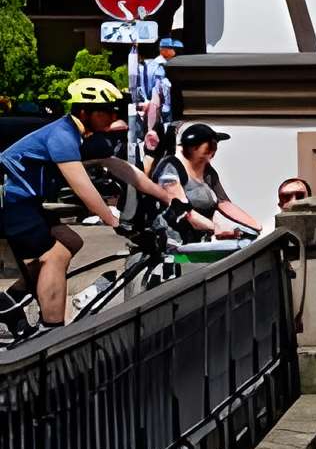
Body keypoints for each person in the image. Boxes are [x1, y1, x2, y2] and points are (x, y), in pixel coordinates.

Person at [1, 79, 185, 325]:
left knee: (71, 241)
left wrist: (168, 198)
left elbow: (125, 170)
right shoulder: (62, 135)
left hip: (25, 202)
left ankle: (13, 298)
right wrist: (112, 220)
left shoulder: (83, 136)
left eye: (114, 110)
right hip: (10, 200)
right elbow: (82, 186)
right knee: (55, 255)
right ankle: (51, 331)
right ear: (85, 112)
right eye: (105, 111)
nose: (112, 115)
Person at [146, 123, 265, 243]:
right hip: (172, 242)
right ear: (194, 147)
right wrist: (217, 228)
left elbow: (224, 203)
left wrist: (255, 226)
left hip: (199, 240)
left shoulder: (207, 171)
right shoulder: (170, 168)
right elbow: (185, 213)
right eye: (210, 146)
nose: (213, 151)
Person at [128, 41, 180, 164]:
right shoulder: (160, 67)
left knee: (150, 152)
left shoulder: (138, 68)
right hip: (160, 119)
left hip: (146, 116)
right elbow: (159, 96)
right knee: (163, 154)